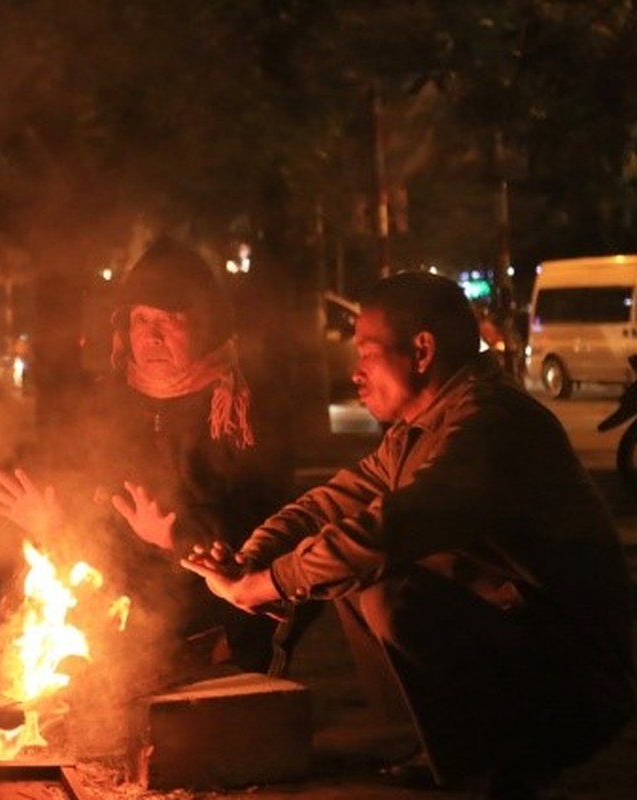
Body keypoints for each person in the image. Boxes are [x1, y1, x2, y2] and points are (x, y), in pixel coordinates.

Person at [182, 271, 635, 795]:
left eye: (368, 354)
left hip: (576, 683)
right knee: (353, 570)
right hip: (524, 653)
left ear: (421, 351)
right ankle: (436, 747)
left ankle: (485, 770)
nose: (356, 374)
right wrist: (252, 556)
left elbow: (385, 532)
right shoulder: (416, 434)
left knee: (381, 582)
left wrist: (264, 585)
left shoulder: (492, 424)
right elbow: (327, 504)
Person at [0, 237, 290, 678]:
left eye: (169, 319)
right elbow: (93, 527)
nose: (151, 334)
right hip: (121, 602)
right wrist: (53, 523)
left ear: (206, 323)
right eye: (140, 318)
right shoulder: (105, 406)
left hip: (211, 606)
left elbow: (270, 526)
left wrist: (174, 536)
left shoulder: (241, 409)